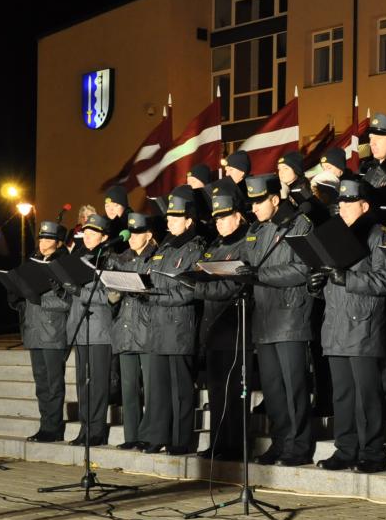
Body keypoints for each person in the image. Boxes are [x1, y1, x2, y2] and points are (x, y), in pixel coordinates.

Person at [310, 177, 386, 472]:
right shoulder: (332, 235)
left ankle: (373, 451)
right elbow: (328, 280)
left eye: (349, 202)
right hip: (335, 324)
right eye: (340, 202)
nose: (343, 207)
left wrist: (349, 278)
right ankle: (345, 448)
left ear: (364, 205)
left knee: (367, 394)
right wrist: (316, 284)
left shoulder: (377, 235)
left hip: (364, 325)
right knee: (343, 393)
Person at [243, 173, 316, 466]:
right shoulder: (259, 231)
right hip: (265, 319)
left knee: (294, 387)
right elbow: (249, 265)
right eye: (252, 202)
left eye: (259, 201)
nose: (255, 207)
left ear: (275, 199)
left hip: (290, 317)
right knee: (273, 390)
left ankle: (299, 446)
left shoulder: (300, 225)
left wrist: (259, 275)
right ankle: (281, 441)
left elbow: (303, 269)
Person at [135, 186, 205, 454]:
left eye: (175, 218)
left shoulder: (194, 247)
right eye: (168, 217)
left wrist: (153, 296)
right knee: (157, 388)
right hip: (157, 325)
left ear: (188, 221)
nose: (169, 221)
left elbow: (188, 291)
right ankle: (155, 435)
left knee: (180, 388)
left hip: (178, 327)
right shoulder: (165, 245)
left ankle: (180, 439)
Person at [193, 182, 253, 459]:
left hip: (234, 327)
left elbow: (234, 285)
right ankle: (218, 441)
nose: (218, 222)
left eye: (224, 217)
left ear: (238, 216)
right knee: (216, 391)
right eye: (216, 218)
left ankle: (235, 443)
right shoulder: (215, 245)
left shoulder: (245, 244)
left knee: (233, 391)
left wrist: (198, 287)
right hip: (213, 329)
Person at [11, 220, 72, 443]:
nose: (43, 242)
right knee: (41, 383)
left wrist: (39, 301)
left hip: (53, 331)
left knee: (54, 383)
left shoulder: (63, 263)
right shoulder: (33, 261)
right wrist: (17, 297)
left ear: (58, 243)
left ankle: (53, 427)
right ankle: (44, 425)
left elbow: (68, 302)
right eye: (41, 238)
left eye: (48, 238)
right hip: (34, 330)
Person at [67, 213, 116, 447]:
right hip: (79, 327)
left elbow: (109, 296)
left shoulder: (109, 259)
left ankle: (97, 430)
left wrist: (79, 291)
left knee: (97, 383)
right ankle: (84, 428)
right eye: (85, 231)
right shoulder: (76, 257)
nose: (87, 235)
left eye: (93, 232)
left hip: (99, 329)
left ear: (104, 236)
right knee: (82, 383)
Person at [110, 211, 156, 449]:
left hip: (146, 330)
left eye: (137, 233)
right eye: (131, 232)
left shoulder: (156, 256)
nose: (132, 237)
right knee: (128, 387)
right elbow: (111, 298)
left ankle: (148, 435)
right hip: (125, 329)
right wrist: (112, 293)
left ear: (148, 235)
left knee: (149, 387)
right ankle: (131, 436)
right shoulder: (121, 259)